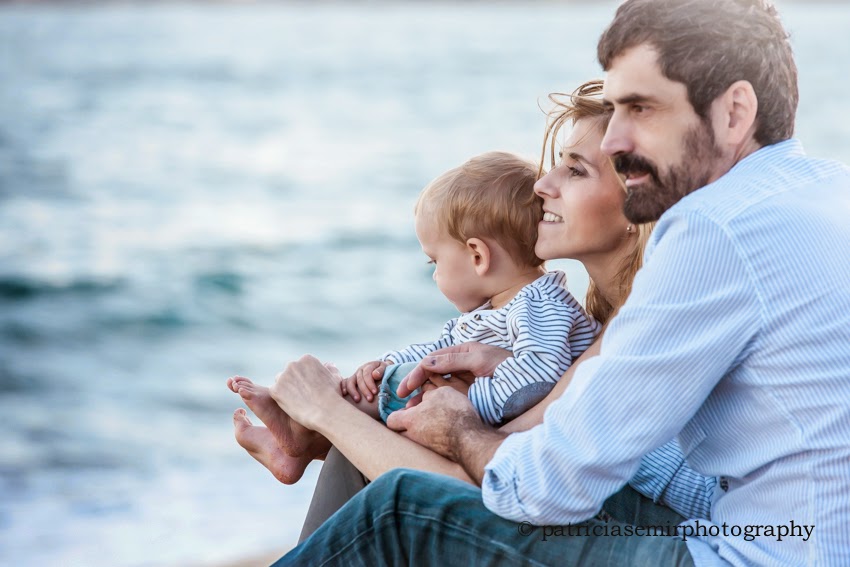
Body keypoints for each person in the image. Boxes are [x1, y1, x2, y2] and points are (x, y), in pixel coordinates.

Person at [265, 0, 850, 565]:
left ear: (734, 112)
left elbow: (543, 488)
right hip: (769, 532)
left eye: (641, 109)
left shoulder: (715, 230)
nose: (616, 140)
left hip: (759, 550)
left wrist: (456, 427)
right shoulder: (823, 190)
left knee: (400, 508)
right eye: (617, 110)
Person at [230, 79, 713, 548]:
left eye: (576, 170)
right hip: (623, 505)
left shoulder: (643, 324)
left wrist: (332, 410)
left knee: (373, 455)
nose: (543, 184)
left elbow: (487, 479)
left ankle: (310, 440)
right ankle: (305, 440)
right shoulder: (599, 320)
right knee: (361, 447)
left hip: (682, 533)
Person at [341, 151, 600, 426]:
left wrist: (464, 401)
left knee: (370, 406)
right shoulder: (496, 308)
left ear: (478, 256)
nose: (435, 274)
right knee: (381, 392)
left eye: (435, 261)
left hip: (529, 434)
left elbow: (537, 382)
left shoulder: (541, 307)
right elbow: (442, 351)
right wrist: (384, 366)